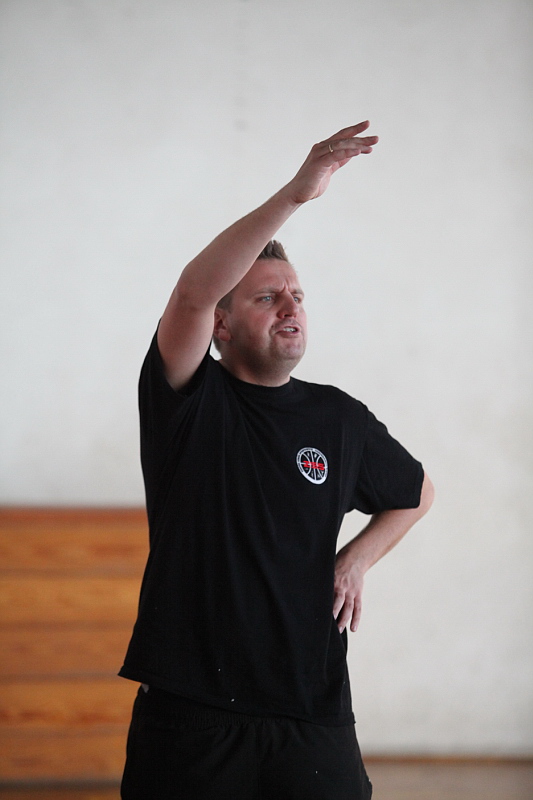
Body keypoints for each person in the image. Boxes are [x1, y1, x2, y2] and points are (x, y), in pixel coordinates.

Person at [119, 121, 434, 800]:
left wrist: (356, 559)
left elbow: (416, 493)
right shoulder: (188, 400)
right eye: (266, 296)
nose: (290, 305)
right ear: (222, 326)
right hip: (192, 715)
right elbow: (191, 293)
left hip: (310, 712)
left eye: (296, 295)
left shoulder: (339, 418)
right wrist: (296, 194)